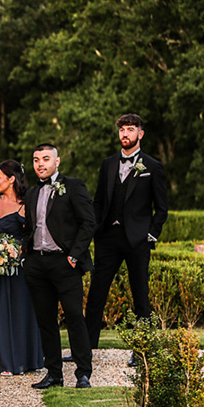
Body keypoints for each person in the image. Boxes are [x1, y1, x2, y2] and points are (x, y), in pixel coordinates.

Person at [84, 114, 168, 367]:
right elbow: (99, 201)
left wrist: (151, 234)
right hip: (107, 237)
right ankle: (85, 348)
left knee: (140, 294)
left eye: (130, 130)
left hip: (137, 240)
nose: (125, 134)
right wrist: (95, 228)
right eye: (122, 130)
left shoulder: (153, 166)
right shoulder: (108, 164)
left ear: (140, 134)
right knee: (97, 292)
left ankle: (141, 350)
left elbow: (161, 208)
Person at [23, 144, 95, 389]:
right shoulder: (31, 193)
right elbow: (28, 228)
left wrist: (74, 256)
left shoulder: (73, 186)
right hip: (37, 264)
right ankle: (54, 374)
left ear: (57, 161)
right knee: (46, 321)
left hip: (64, 263)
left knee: (75, 317)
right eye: (36, 160)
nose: (40, 164)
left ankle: (83, 373)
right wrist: (26, 257)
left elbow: (88, 223)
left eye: (45, 159)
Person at [0, 159, 44, 376]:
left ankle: (21, 360)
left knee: (18, 312)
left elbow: (29, 237)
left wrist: (14, 253)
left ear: (11, 179)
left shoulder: (25, 206)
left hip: (18, 271)